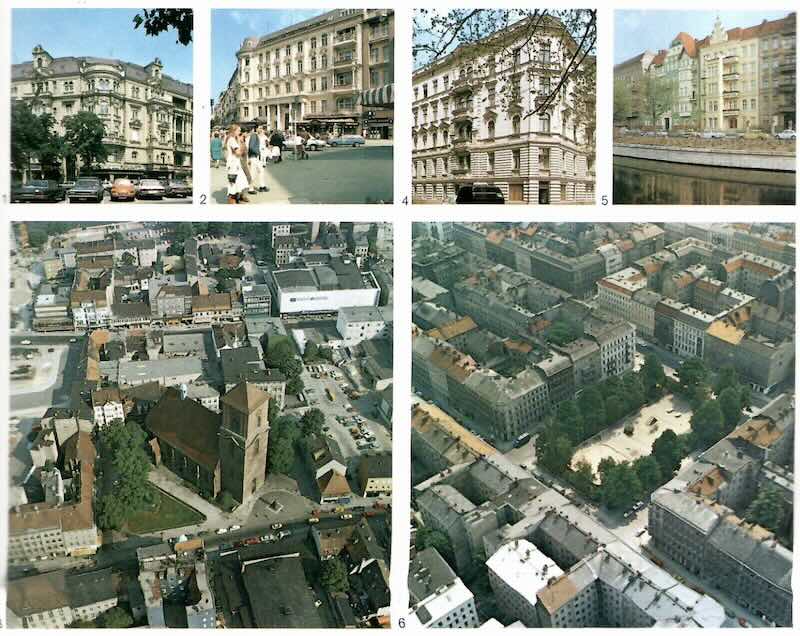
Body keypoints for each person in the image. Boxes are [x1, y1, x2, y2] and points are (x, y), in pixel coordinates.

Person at [224, 124, 248, 204]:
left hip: (234, 163)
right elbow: (238, 152)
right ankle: (232, 199)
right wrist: (241, 148)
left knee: (240, 181)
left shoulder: (231, 138)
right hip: (233, 164)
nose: (240, 132)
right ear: (234, 131)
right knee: (233, 181)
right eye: (239, 130)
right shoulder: (232, 140)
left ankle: (237, 197)